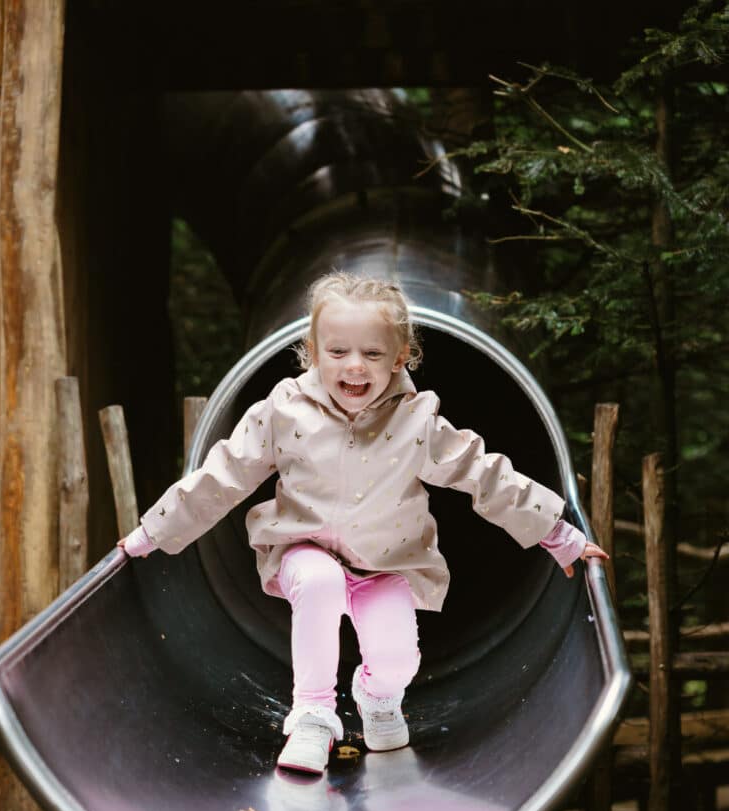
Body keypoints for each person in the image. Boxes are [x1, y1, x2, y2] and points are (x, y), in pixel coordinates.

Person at [120, 272, 608, 774]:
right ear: (312, 351)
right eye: (338, 352)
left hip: (385, 563)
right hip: (303, 552)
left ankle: (377, 697)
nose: (355, 366)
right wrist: (150, 533)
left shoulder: (417, 424)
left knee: (398, 658)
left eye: (373, 354)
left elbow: (484, 475)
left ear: (400, 357)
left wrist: (561, 536)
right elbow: (221, 476)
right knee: (320, 581)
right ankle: (312, 714)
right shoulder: (284, 413)